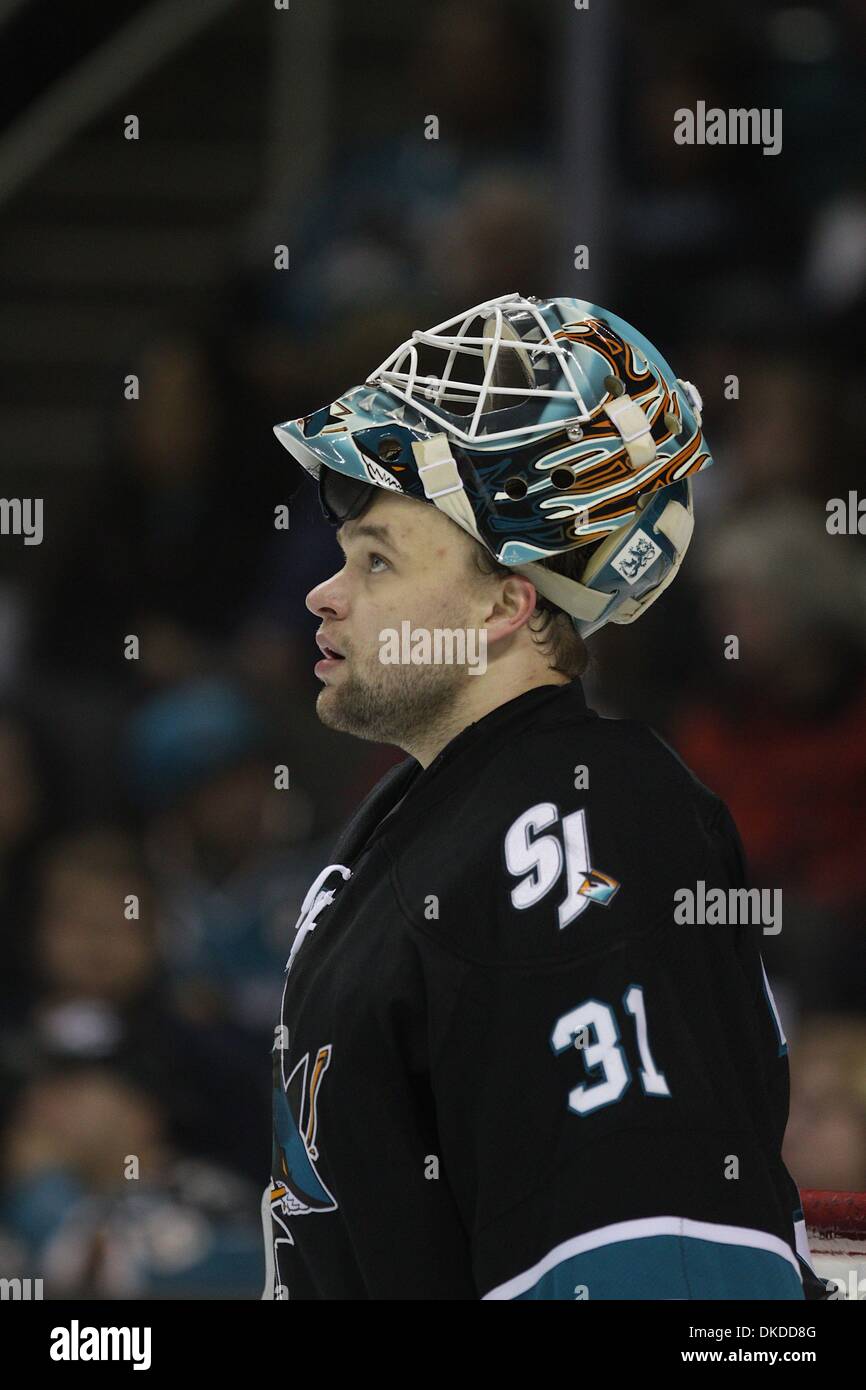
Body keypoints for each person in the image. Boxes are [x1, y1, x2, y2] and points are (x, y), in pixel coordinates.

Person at [260, 292, 825, 1300]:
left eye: (378, 559)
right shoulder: (406, 822)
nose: (325, 593)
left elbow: (653, 1265)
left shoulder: (576, 823)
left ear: (504, 605)